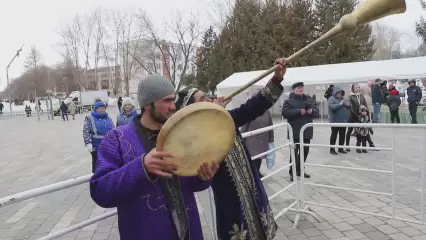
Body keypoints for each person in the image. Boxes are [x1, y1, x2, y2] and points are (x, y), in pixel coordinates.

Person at [90, 74, 218, 240]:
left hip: (189, 232)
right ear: (148, 105)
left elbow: (191, 184)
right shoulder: (117, 138)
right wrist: (141, 167)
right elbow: (100, 192)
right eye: (167, 101)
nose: (173, 106)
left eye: (174, 100)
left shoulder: (181, 135)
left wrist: (203, 177)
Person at [174, 59, 287, 240]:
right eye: (203, 99)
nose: (210, 99)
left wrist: (276, 80)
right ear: (193, 109)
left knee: (261, 231)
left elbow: (253, 108)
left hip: (252, 191)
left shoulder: (227, 119)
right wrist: (214, 115)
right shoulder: (194, 139)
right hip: (231, 202)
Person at [282, 82, 319, 182]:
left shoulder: (308, 100)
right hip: (294, 131)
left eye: (302, 88)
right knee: (294, 153)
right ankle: (292, 172)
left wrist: (312, 112)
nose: (301, 89)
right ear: (294, 90)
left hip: (306, 131)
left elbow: (317, 112)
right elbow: (285, 113)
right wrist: (298, 111)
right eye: (298, 88)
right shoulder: (288, 101)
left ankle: (300, 170)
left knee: (304, 152)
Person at [241, 91, 275, 178]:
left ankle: (257, 173)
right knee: (253, 159)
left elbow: (270, 126)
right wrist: (241, 140)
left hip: (262, 140)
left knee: (259, 158)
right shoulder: (249, 111)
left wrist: (271, 140)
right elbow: (244, 127)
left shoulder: (267, 112)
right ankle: (254, 176)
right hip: (251, 141)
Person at [83, 101, 114, 173]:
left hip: (108, 145)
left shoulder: (108, 118)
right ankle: (95, 179)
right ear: (96, 109)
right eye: (99, 108)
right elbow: (86, 131)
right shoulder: (89, 118)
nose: (101, 109)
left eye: (103, 108)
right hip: (95, 146)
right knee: (96, 163)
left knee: (107, 163)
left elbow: (113, 130)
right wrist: (88, 143)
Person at [345, 83, 367, 151]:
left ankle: (359, 147)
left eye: (358, 87)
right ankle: (347, 146)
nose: (357, 89)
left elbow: (365, 105)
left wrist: (366, 114)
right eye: (356, 87)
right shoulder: (351, 96)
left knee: (361, 132)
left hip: (361, 117)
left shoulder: (362, 96)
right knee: (349, 131)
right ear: (353, 88)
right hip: (352, 116)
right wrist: (356, 115)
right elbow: (350, 107)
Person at [328, 86, 349, 155]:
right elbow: (331, 107)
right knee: (334, 135)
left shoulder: (342, 99)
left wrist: (347, 104)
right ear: (335, 92)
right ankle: (332, 149)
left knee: (342, 135)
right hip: (335, 121)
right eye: (338, 92)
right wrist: (340, 104)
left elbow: (349, 107)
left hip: (343, 121)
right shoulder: (331, 99)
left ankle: (340, 148)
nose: (339, 94)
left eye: (340, 92)